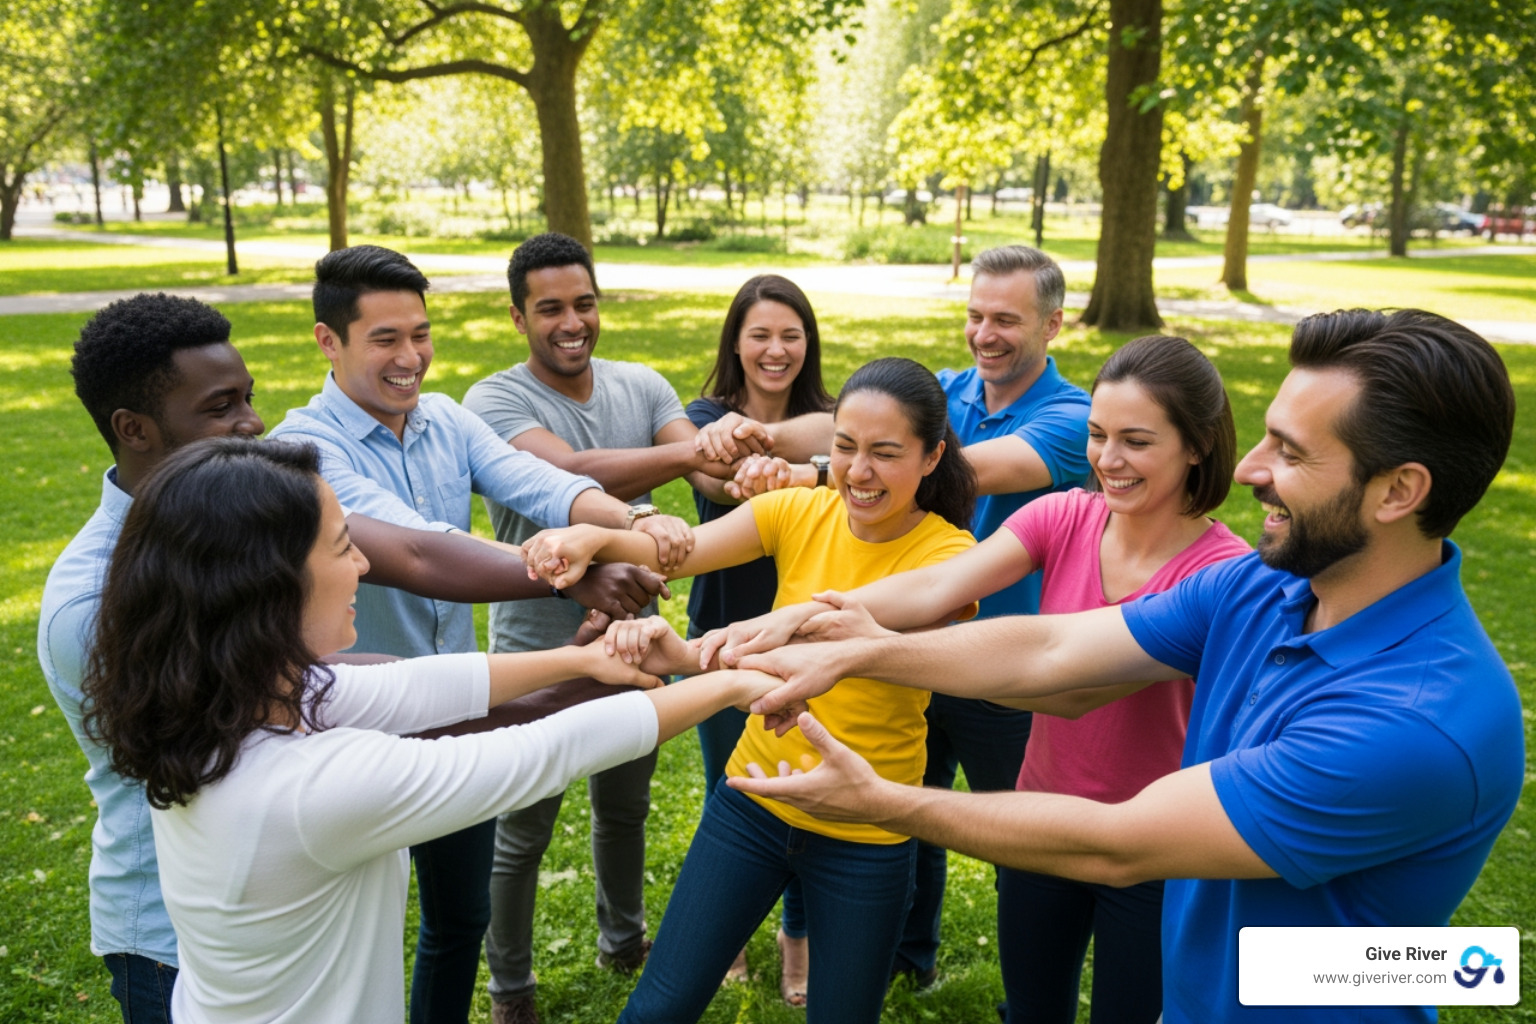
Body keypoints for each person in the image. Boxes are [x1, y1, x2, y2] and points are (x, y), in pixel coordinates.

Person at [729, 309, 1523, 1024]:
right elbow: (1056, 647)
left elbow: (1118, 844)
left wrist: (882, 800)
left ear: (1399, 492)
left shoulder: (1418, 723)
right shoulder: (1266, 587)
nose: (1249, 469)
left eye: (1291, 452)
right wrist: (863, 648)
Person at [38, 293, 663, 1024]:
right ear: (133, 429)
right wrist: (598, 679)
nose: (252, 423)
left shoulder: (238, 522)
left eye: (249, 398)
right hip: (176, 941)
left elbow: (395, 578)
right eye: (220, 408)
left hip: (299, 898)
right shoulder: (95, 606)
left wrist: (577, 651)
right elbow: (334, 704)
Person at [80, 436, 783, 1024]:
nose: (362, 564)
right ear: (268, 586)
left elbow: (414, 686)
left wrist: (587, 659)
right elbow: (535, 755)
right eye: (343, 548)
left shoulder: (227, 700)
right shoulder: (305, 789)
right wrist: (731, 682)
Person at [711, 335, 1249, 1022]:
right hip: (1038, 817)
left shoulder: (1221, 577)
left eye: (1136, 442)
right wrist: (797, 620)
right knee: (1031, 1009)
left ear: (1197, 446)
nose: (1108, 461)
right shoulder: (1067, 516)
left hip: (1154, 843)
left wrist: (872, 651)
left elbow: (1073, 691)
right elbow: (937, 584)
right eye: (1097, 435)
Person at [269, 245, 690, 1024]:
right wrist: (578, 572)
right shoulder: (301, 451)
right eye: (385, 339)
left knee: (459, 918)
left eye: (420, 335)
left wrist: (626, 521)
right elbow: (421, 550)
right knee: (354, 932)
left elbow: (540, 483)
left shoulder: (444, 420)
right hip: (347, 716)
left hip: (457, 705)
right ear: (329, 342)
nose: (411, 358)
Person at [521, 357, 979, 1024]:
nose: (858, 472)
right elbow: (684, 550)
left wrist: (690, 650)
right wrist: (603, 535)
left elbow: (837, 633)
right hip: (751, 805)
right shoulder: (799, 510)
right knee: (658, 1009)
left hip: (866, 828)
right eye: (845, 448)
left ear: (933, 455)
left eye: (886, 453)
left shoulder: (950, 558)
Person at [460, 237, 834, 1024]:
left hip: (632, 638)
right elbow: (566, 473)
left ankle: (623, 940)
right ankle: (510, 990)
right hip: (539, 647)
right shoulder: (494, 400)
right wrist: (683, 464)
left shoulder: (643, 383)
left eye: (584, 303)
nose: (572, 322)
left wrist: (739, 454)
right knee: (523, 825)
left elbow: (701, 473)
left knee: (623, 808)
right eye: (551, 308)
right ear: (518, 314)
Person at [725, 244, 1089, 984]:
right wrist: (754, 435)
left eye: (1006, 320)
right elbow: (838, 421)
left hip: (996, 665)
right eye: (975, 316)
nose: (985, 334)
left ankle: (1030, 991)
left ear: (1053, 325)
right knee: (905, 810)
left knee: (1014, 831)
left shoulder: (1072, 415)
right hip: (900, 643)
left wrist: (817, 472)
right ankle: (903, 960)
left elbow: (976, 469)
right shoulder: (949, 390)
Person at [680, 273, 836, 997]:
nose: (776, 351)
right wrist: (754, 464)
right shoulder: (704, 416)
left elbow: (840, 451)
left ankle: (797, 939)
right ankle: (732, 929)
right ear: (735, 343)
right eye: (760, 335)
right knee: (732, 790)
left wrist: (792, 462)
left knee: (803, 790)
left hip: (806, 637)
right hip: (720, 638)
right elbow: (716, 482)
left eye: (790, 335)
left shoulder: (835, 421)